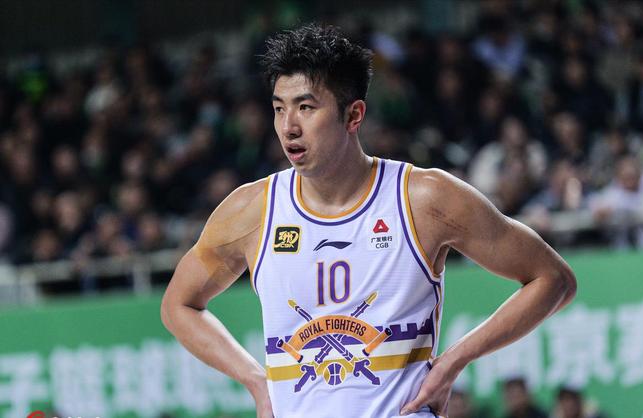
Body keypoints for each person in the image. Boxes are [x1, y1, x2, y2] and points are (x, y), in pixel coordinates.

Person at [161, 24, 576, 418]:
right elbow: (178, 305)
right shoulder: (253, 210)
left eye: (306, 107)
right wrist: (254, 379)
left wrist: (454, 361)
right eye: (278, 109)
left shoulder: (423, 198)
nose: (288, 127)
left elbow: (553, 279)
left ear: (353, 115)